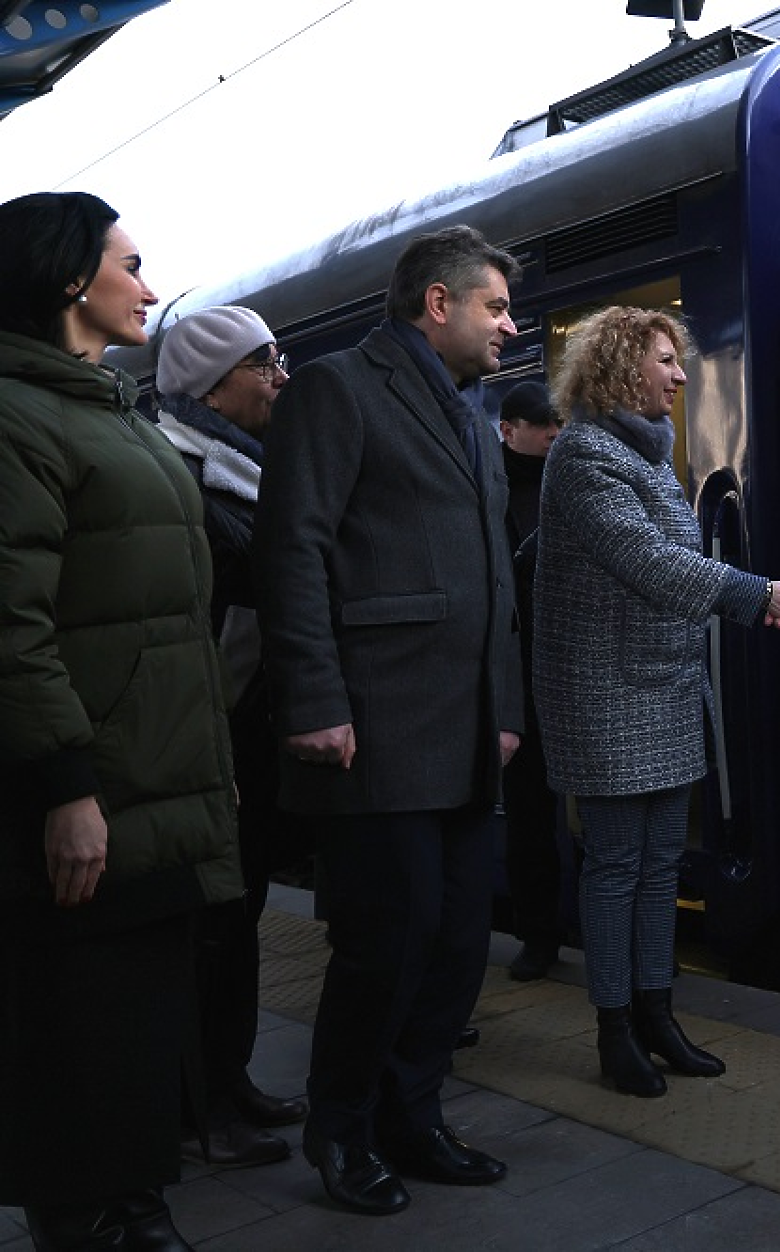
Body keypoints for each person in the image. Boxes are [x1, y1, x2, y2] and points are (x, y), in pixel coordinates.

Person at [252, 225, 525, 1216]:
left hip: (464, 732)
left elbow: (494, 579)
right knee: (388, 940)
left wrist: (506, 708)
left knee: (456, 942)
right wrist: (317, 700)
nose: (510, 324)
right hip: (373, 723)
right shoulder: (339, 388)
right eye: (494, 306)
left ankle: (413, 1116)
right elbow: (296, 550)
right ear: (438, 304)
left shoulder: (469, 411)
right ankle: (341, 1124)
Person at [0, 191, 243, 1251]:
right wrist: (66, 786)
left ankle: (126, 1205)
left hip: (151, 776)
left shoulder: (100, 406)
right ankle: (99, 1216)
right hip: (97, 790)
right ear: (67, 278)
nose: (148, 288)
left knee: (136, 1028)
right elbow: (11, 625)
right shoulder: (18, 418)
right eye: (130, 263)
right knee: (90, 1037)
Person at [531, 306, 780, 1097]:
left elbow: (673, 560)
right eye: (665, 360)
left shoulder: (647, 456)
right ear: (619, 365)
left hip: (664, 687)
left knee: (661, 862)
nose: (679, 374)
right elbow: (645, 561)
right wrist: (758, 593)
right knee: (615, 867)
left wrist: (770, 589)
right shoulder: (583, 454)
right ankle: (613, 1030)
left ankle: (657, 1012)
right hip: (606, 694)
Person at [154, 306, 310, 1169]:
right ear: (215, 382)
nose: (279, 379)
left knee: (241, 911)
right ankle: (199, 1105)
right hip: (210, 728)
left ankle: (230, 1076)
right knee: (211, 921)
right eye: (265, 364)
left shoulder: (245, 466)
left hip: (247, 724)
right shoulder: (184, 471)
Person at [496, 381, 566, 982]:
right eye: (544, 424)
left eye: (559, 423)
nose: (554, 433)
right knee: (530, 816)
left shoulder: (575, 482)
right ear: (507, 428)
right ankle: (539, 935)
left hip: (577, 668)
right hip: (522, 675)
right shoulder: (487, 488)